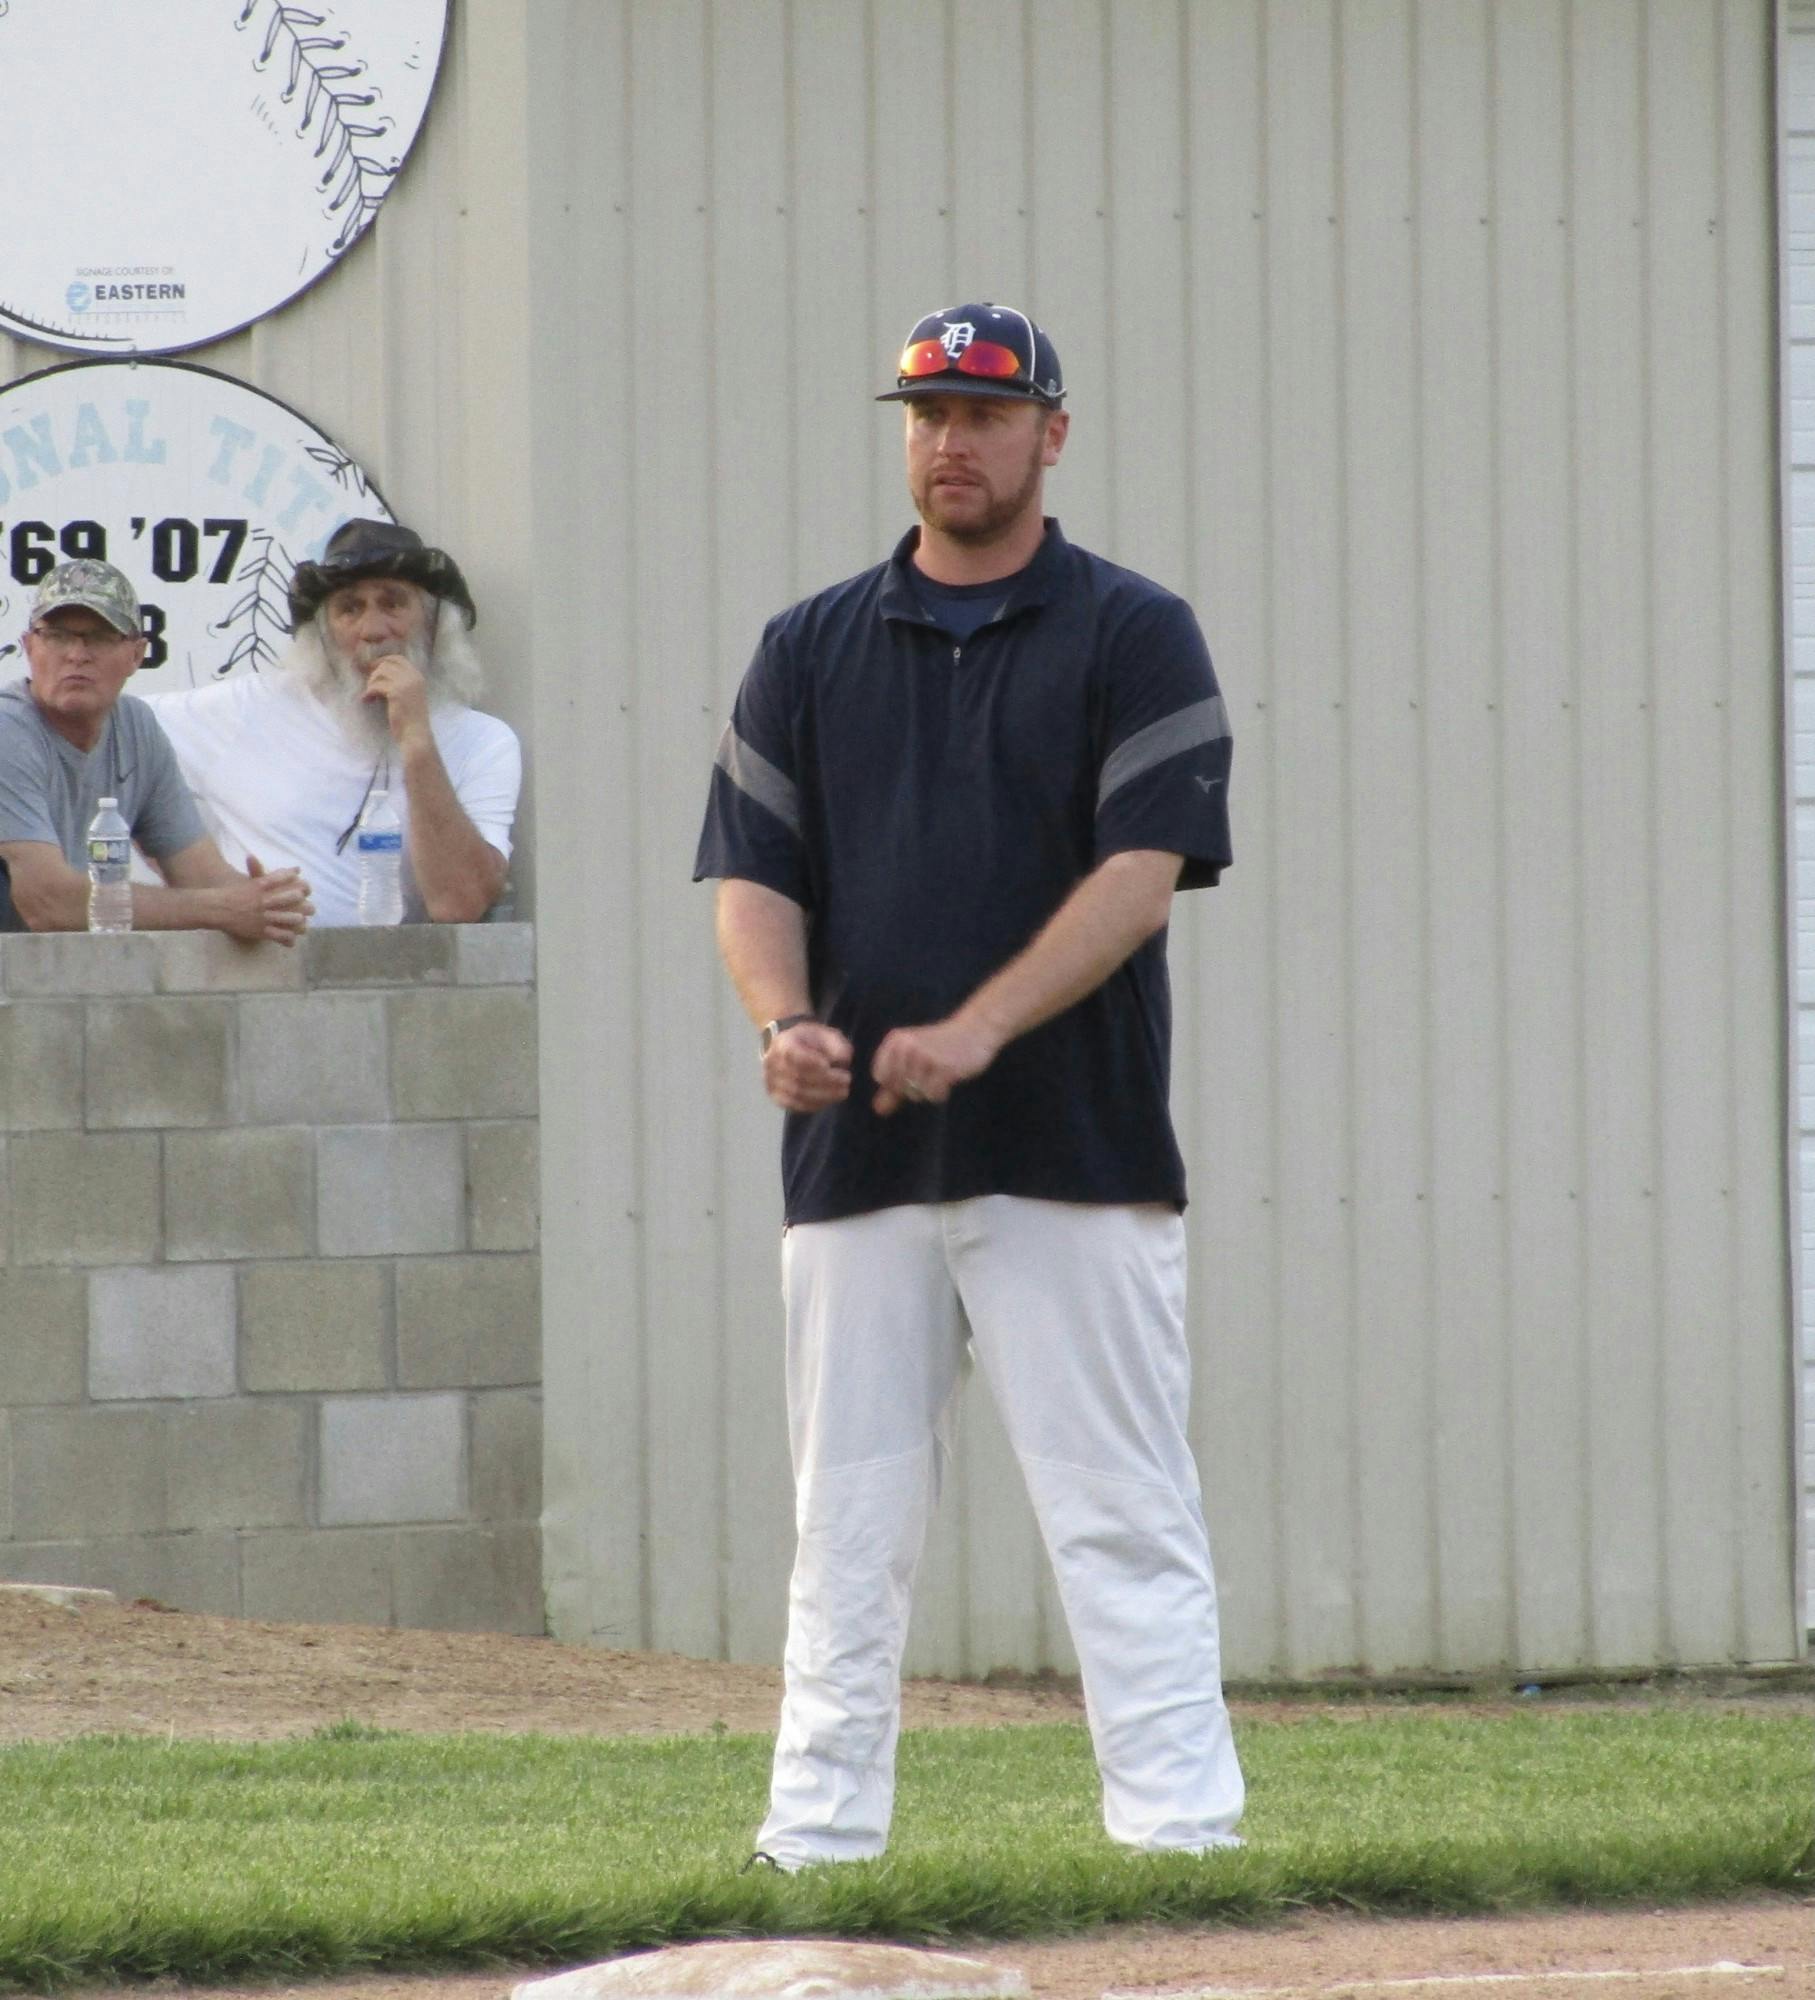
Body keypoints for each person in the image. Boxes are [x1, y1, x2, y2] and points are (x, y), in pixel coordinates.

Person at [695, 302, 1245, 1867]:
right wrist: (781, 1022)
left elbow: (1140, 871)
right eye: (927, 415)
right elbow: (749, 875)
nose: (951, 441)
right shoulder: (805, 645)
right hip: (853, 1164)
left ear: (1048, 435)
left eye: (985, 415)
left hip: (1070, 1147)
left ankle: (1179, 1844)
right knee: (843, 1532)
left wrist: (980, 1026)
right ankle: (811, 1849)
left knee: (1120, 1514)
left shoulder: (1133, 629)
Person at [149, 518, 521, 926]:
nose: (373, 631)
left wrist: (417, 740)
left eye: (393, 603)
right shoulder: (251, 707)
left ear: (433, 623)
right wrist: (192, 877)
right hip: (261, 979)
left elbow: (458, 904)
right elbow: (112, 731)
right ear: (324, 632)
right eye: (349, 609)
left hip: (408, 983)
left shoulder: (483, 741)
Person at [0, 558, 312, 941]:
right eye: (58, 636)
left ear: (137, 655)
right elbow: (48, 903)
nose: (77, 654)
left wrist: (268, 903)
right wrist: (224, 908)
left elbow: (202, 874)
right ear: (29, 647)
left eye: (99, 637)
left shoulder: (136, 727)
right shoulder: (7, 727)